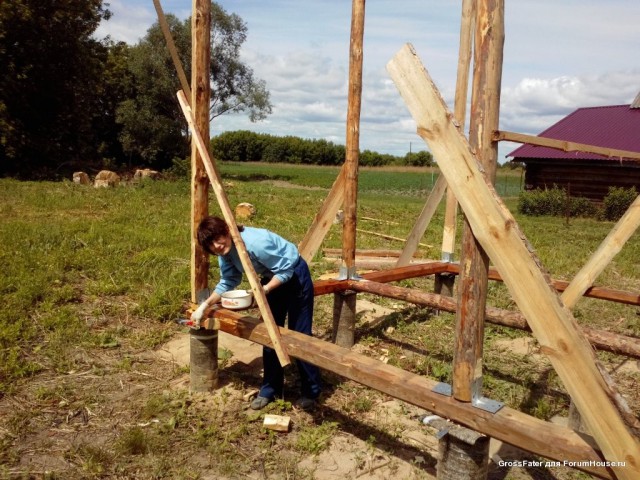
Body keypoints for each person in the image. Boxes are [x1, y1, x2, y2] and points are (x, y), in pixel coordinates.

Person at [190, 216, 322, 411]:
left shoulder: (256, 243)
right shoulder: (225, 252)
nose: (216, 246)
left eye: (218, 239)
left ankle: (311, 390)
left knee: (299, 334)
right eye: (210, 244)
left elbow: (286, 271)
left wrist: (265, 290)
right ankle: (270, 389)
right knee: (269, 333)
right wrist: (205, 305)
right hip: (270, 279)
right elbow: (228, 280)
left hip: (295, 276)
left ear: (226, 231)